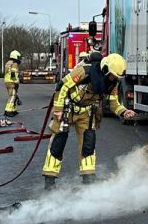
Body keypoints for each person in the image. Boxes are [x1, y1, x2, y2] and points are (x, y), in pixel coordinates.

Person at [42, 52, 134, 187]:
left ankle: (88, 178)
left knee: (88, 144)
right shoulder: (84, 72)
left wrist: (124, 112)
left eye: (116, 77)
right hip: (68, 109)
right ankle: (50, 178)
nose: (114, 79)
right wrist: (58, 110)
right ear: (105, 69)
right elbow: (62, 87)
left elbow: (113, 103)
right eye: (113, 76)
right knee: (58, 142)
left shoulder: (112, 84)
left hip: (87, 113)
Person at [4, 50, 21, 117]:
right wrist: (15, 82)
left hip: (7, 81)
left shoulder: (8, 63)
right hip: (12, 82)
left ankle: (13, 110)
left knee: (14, 96)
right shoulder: (14, 63)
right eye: (18, 57)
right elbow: (13, 73)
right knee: (12, 96)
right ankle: (8, 110)